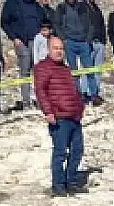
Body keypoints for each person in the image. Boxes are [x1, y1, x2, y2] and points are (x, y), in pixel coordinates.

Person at [34, 33, 86, 195]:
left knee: (77, 150)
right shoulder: (42, 68)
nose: (59, 51)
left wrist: (80, 107)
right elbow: (40, 91)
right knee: (60, 153)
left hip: (74, 116)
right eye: (55, 48)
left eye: (61, 48)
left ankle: (71, 181)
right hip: (59, 117)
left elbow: (73, 90)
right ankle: (58, 186)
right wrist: (48, 111)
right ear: (48, 50)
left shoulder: (65, 68)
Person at [0, 0, 42, 109]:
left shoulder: (34, 4)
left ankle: (40, 100)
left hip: (36, 40)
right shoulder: (11, 3)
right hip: (21, 41)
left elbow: (42, 19)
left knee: (38, 70)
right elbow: (4, 22)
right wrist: (13, 37)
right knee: (25, 70)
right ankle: (26, 101)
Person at [55, 0, 95, 103]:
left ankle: (94, 95)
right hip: (70, 42)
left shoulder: (84, 6)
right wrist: (64, 39)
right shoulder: (61, 8)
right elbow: (56, 24)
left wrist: (88, 40)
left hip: (83, 42)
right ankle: (78, 95)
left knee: (89, 69)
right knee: (74, 72)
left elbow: (91, 23)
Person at [84, 0, 107, 103]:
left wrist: (103, 40)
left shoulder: (96, 8)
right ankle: (85, 94)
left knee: (97, 70)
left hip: (99, 42)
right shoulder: (81, 7)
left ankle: (94, 94)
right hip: (89, 43)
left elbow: (102, 24)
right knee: (87, 69)